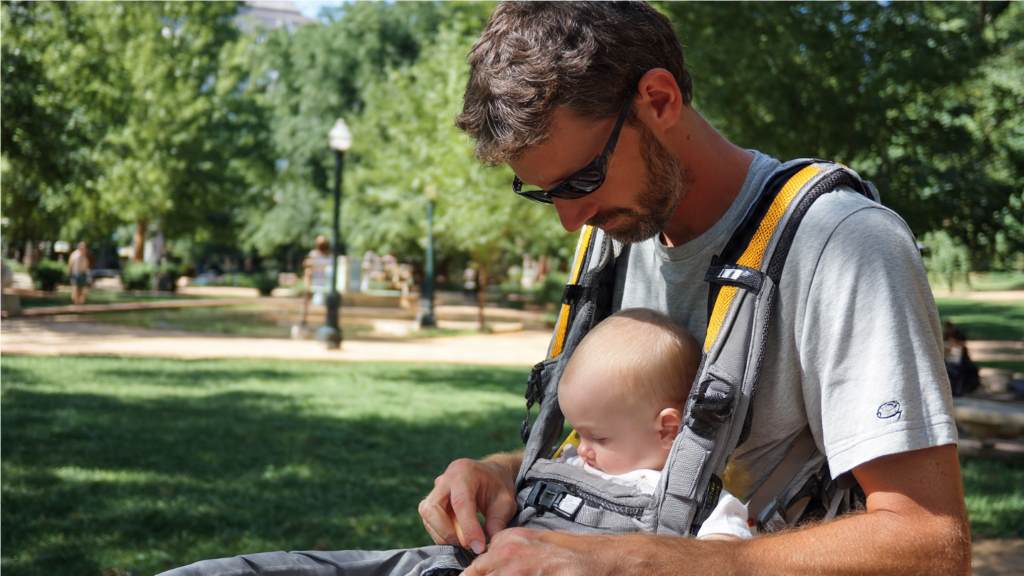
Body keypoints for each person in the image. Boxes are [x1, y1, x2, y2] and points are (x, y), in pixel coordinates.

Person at [419, 3, 968, 575]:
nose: (569, 218)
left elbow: (931, 543)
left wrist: (630, 561)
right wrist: (502, 475)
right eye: (546, 192)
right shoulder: (616, 237)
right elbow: (637, 455)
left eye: (582, 180)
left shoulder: (844, 245)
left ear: (659, 99)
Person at [161, 309, 748, 576]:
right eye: (576, 432)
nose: (580, 449)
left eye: (596, 435)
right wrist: (498, 472)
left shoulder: (703, 507)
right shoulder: (585, 457)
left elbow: (728, 565)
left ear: (667, 428)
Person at [299, 235, 333, 327]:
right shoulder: (313, 254)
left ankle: (328, 321)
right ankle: (304, 319)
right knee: (306, 299)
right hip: (313, 281)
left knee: (329, 302)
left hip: (326, 282)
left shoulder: (330, 256)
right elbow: (307, 264)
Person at [68, 241, 91, 305]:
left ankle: (80, 305)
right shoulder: (74, 254)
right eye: (82, 246)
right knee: (75, 290)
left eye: (84, 247)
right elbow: (70, 264)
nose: (83, 248)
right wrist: (70, 273)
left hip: (83, 274)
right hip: (76, 274)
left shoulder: (85, 255)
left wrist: (88, 273)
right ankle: (75, 304)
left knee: (83, 292)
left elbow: (87, 265)